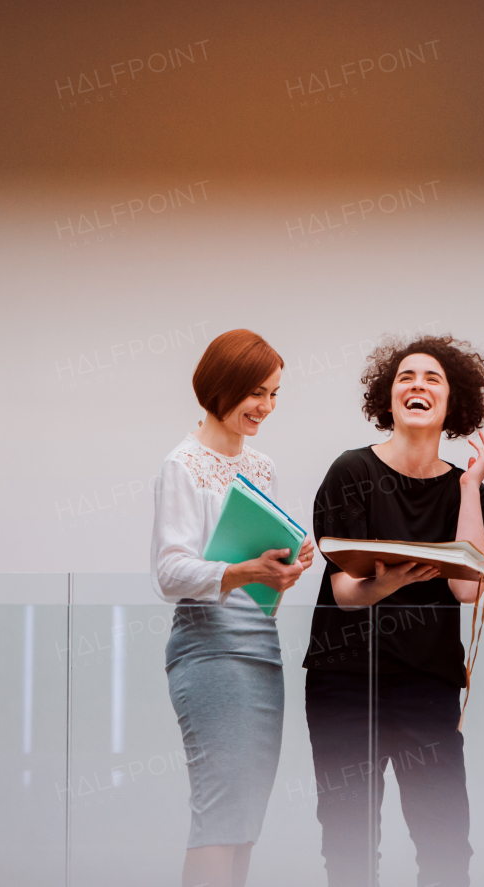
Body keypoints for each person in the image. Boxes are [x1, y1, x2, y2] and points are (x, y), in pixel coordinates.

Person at [303, 334, 484, 887]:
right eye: (405, 378)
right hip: (345, 680)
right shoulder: (352, 471)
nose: (417, 386)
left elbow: (466, 590)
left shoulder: (468, 488)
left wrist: (470, 485)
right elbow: (343, 592)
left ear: (452, 402)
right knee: (349, 842)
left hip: (427, 684)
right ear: (387, 400)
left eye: (432, 378)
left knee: (445, 845)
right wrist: (385, 583)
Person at [151, 329, 316, 887]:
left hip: (259, 650)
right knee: (218, 819)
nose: (265, 407)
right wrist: (249, 570)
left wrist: (286, 567)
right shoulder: (182, 464)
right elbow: (169, 573)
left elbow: (259, 577)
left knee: (243, 824)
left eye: (273, 394)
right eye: (254, 393)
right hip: (209, 651)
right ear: (220, 389)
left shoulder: (262, 468)